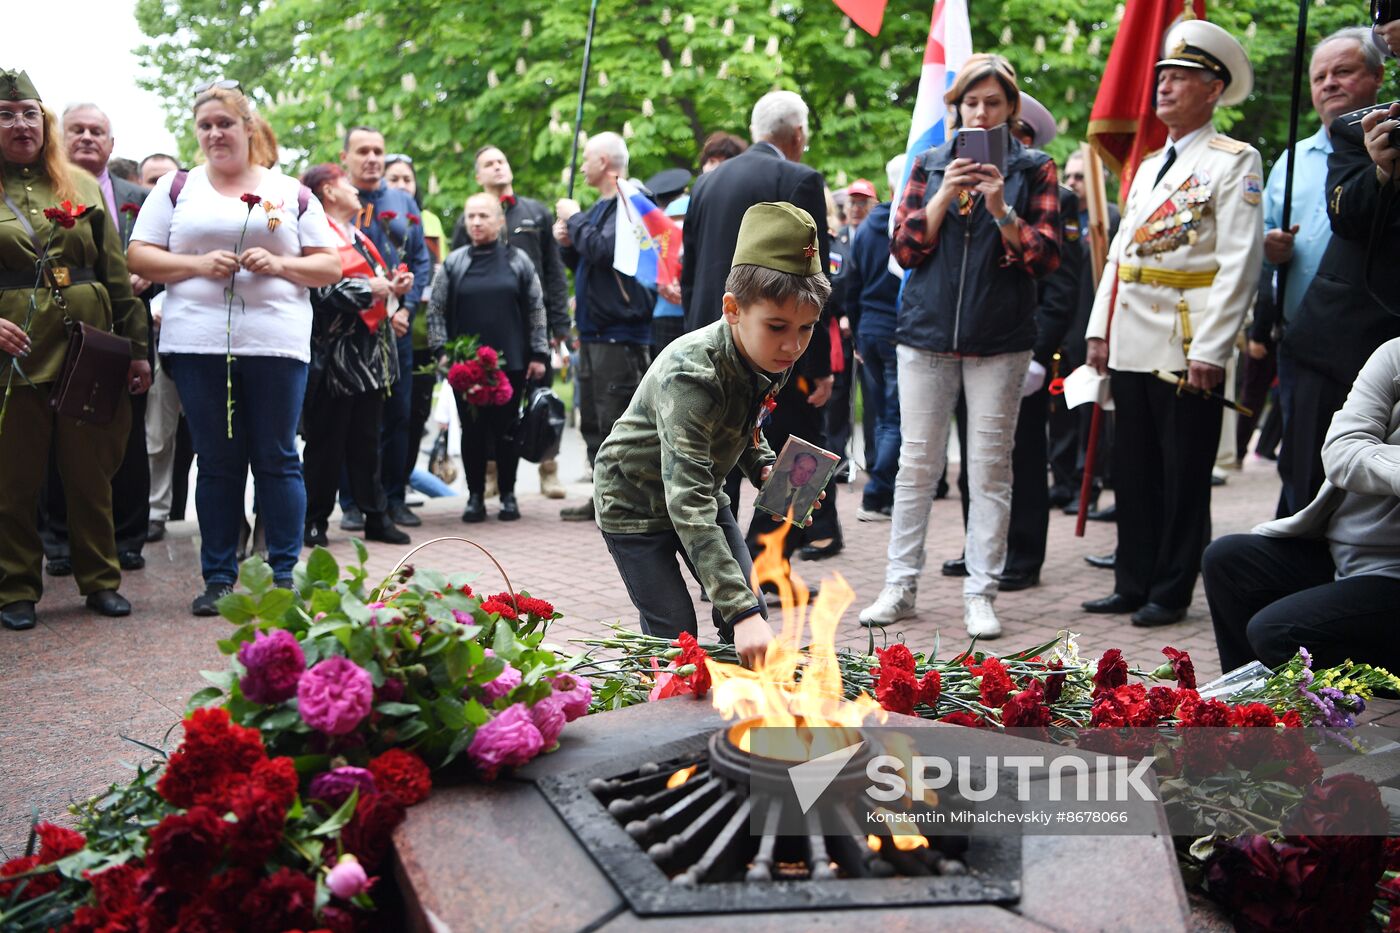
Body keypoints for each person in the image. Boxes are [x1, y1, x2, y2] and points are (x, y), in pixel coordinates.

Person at [858, 54, 1062, 638]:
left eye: (993, 103)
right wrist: (944, 195)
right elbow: (904, 249)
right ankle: (899, 586)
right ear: (957, 108)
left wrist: (1002, 211)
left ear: (1009, 109)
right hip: (925, 336)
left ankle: (981, 593)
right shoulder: (928, 163)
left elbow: (1046, 258)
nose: (981, 111)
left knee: (989, 470)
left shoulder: (1035, 168)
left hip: (1000, 341)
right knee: (915, 466)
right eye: (971, 102)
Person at [127, 82, 340, 615]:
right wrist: (198, 265)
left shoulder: (290, 192)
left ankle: (284, 573)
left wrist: (283, 264)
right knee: (218, 462)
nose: (215, 133)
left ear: (248, 128)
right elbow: (138, 256)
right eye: (205, 126)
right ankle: (219, 576)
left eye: (225, 123)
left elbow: (330, 265)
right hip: (196, 344)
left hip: (276, 344)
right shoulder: (178, 187)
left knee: (277, 457)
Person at [1081, 21, 1264, 627]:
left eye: (1181, 77)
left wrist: (1214, 348)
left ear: (1214, 90)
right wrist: (1098, 327)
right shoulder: (1154, 162)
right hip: (1131, 337)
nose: (1164, 86)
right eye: (1162, 76)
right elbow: (1121, 255)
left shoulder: (1233, 162)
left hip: (1187, 344)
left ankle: (1171, 588)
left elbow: (1240, 264)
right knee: (1131, 469)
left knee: (1183, 473)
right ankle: (1133, 580)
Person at [594, 202, 831, 667]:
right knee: (675, 636)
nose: (793, 345)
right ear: (732, 309)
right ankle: (666, 721)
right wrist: (739, 611)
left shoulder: (768, 353)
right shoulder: (692, 374)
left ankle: (735, 722)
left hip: (697, 489)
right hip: (635, 506)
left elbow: (746, 425)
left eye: (806, 329)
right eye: (778, 327)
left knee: (751, 610)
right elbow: (687, 500)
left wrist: (765, 468)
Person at [0, 69, 150, 631]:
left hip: (86, 349)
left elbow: (116, 274)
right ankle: (15, 587)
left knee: (91, 472)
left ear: (45, 123)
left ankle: (101, 580)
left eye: (29, 114)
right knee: (13, 480)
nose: (20, 124)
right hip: (12, 357)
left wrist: (137, 351)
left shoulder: (82, 186)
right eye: (6, 115)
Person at [681, 91, 839, 566]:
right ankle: (767, 567)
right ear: (798, 135)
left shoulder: (705, 184)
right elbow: (814, 286)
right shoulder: (800, 178)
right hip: (780, 346)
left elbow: (690, 275)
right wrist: (815, 364)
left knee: (719, 457)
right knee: (803, 456)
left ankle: (723, 569)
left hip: (714, 340)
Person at [943, 93, 1080, 593]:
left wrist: (1042, 355)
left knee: (1019, 458)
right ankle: (976, 545)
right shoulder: (965, 192)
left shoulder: (1055, 196)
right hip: (973, 344)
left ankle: (1021, 552)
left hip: (1023, 347)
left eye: (1008, 139)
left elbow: (1060, 287)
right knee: (973, 460)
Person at [1203, 336, 1400, 673]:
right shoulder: (1394, 353)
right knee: (1226, 560)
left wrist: (1373, 457)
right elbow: (1341, 450)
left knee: (1276, 632)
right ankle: (1249, 713)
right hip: (1343, 552)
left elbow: (1357, 450)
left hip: (1391, 575)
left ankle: (1320, 715)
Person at [1270, 28, 1388, 517]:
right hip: (1303, 338)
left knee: (1360, 484)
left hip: (1372, 341)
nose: (1329, 84)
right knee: (1301, 468)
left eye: (1344, 71)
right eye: (1320, 76)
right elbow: (1257, 242)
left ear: (1378, 76)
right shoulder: (1290, 160)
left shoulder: (1380, 143)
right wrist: (1268, 250)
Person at [37, 103, 155, 576]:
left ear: (112, 143)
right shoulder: (36, 192)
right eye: (77, 130)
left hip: (125, 331)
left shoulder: (141, 197)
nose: (87, 138)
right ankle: (60, 543)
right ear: (60, 138)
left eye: (97, 131)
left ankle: (128, 538)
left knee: (127, 437)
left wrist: (149, 277)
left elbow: (167, 254)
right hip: (55, 331)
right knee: (55, 437)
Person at [299, 163, 411, 548]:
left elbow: (378, 286)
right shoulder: (317, 235)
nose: (356, 190)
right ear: (329, 191)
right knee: (325, 443)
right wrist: (372, 290)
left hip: (370, 356)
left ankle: (375, 516)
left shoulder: (360, 237)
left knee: (367, 441)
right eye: (346, 183)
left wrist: (395, 291)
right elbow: (321, 291)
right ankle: (314, 520)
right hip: (336, 358)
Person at [454, 145, 572, 500]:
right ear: (479, 176)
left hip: (532, 327)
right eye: (488, 164)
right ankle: (491, 474)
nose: (497, 167)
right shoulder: (469, 219)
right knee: (488, 402)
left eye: (502, 161)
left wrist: (559, 326)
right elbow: (458, 273)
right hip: (486, 331)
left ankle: (548, 470)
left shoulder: (534, 212)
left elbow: (554, 272)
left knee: (540, 400)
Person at [553, 131, 655, 523]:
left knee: (618, 419)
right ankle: (603, 495)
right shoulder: (599, 209)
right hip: (594, 332)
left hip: (621, 333)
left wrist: (573, 219)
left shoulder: (634, 203)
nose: (581, 165)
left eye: (587, 158)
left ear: (606, 163)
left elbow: (606, 251)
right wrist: (566, 241)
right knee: (593, 419)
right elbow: (584, 261)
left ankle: (627, 500)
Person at [429, 192, 548, 522]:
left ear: (499, 221)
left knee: (508, 430)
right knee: (472, 431)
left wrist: (539, 353)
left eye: (484, 216)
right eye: (471, 216)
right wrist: (441, 351)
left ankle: (508, 495)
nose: (476, 222)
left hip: (510, 361)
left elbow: (537, 309)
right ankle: (476, 497)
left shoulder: (518, 261)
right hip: (465, 366)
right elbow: (436, 309)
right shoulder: (454, 262)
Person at [339, 126, 432, 531]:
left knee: (399, 415)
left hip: (397, 329)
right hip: (353, 330)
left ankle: (394, 498)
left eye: (378, 150)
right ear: (346, 157)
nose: (373, 158)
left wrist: (405, 307)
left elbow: (420, 261)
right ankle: (353, 503)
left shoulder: (403, 201)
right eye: (363, 151)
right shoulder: (338, 200)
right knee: (354, 418)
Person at [382, 153, 444, 507]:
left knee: (413, 417)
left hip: (421, 335)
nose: (403, 185)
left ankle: (400, 485)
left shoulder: (428, 219)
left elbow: (438, 276)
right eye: (395, 178)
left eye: (408, 178)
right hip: (384, 329)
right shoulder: (373, 216)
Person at [849, 157, 905, 523]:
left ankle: (882, 489)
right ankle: (878, 493)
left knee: (882, 416)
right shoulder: (902, 225)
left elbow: (850, 286)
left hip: (869, 329)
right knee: (894, 418)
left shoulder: (867, 229)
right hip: (896, 331)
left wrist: (857, 334)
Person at [644, 167, 693, 357]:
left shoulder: (655, 223)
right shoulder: (701, 210)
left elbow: (645, 272)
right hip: (698, 308)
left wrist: (661, 284)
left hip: (665, 312)